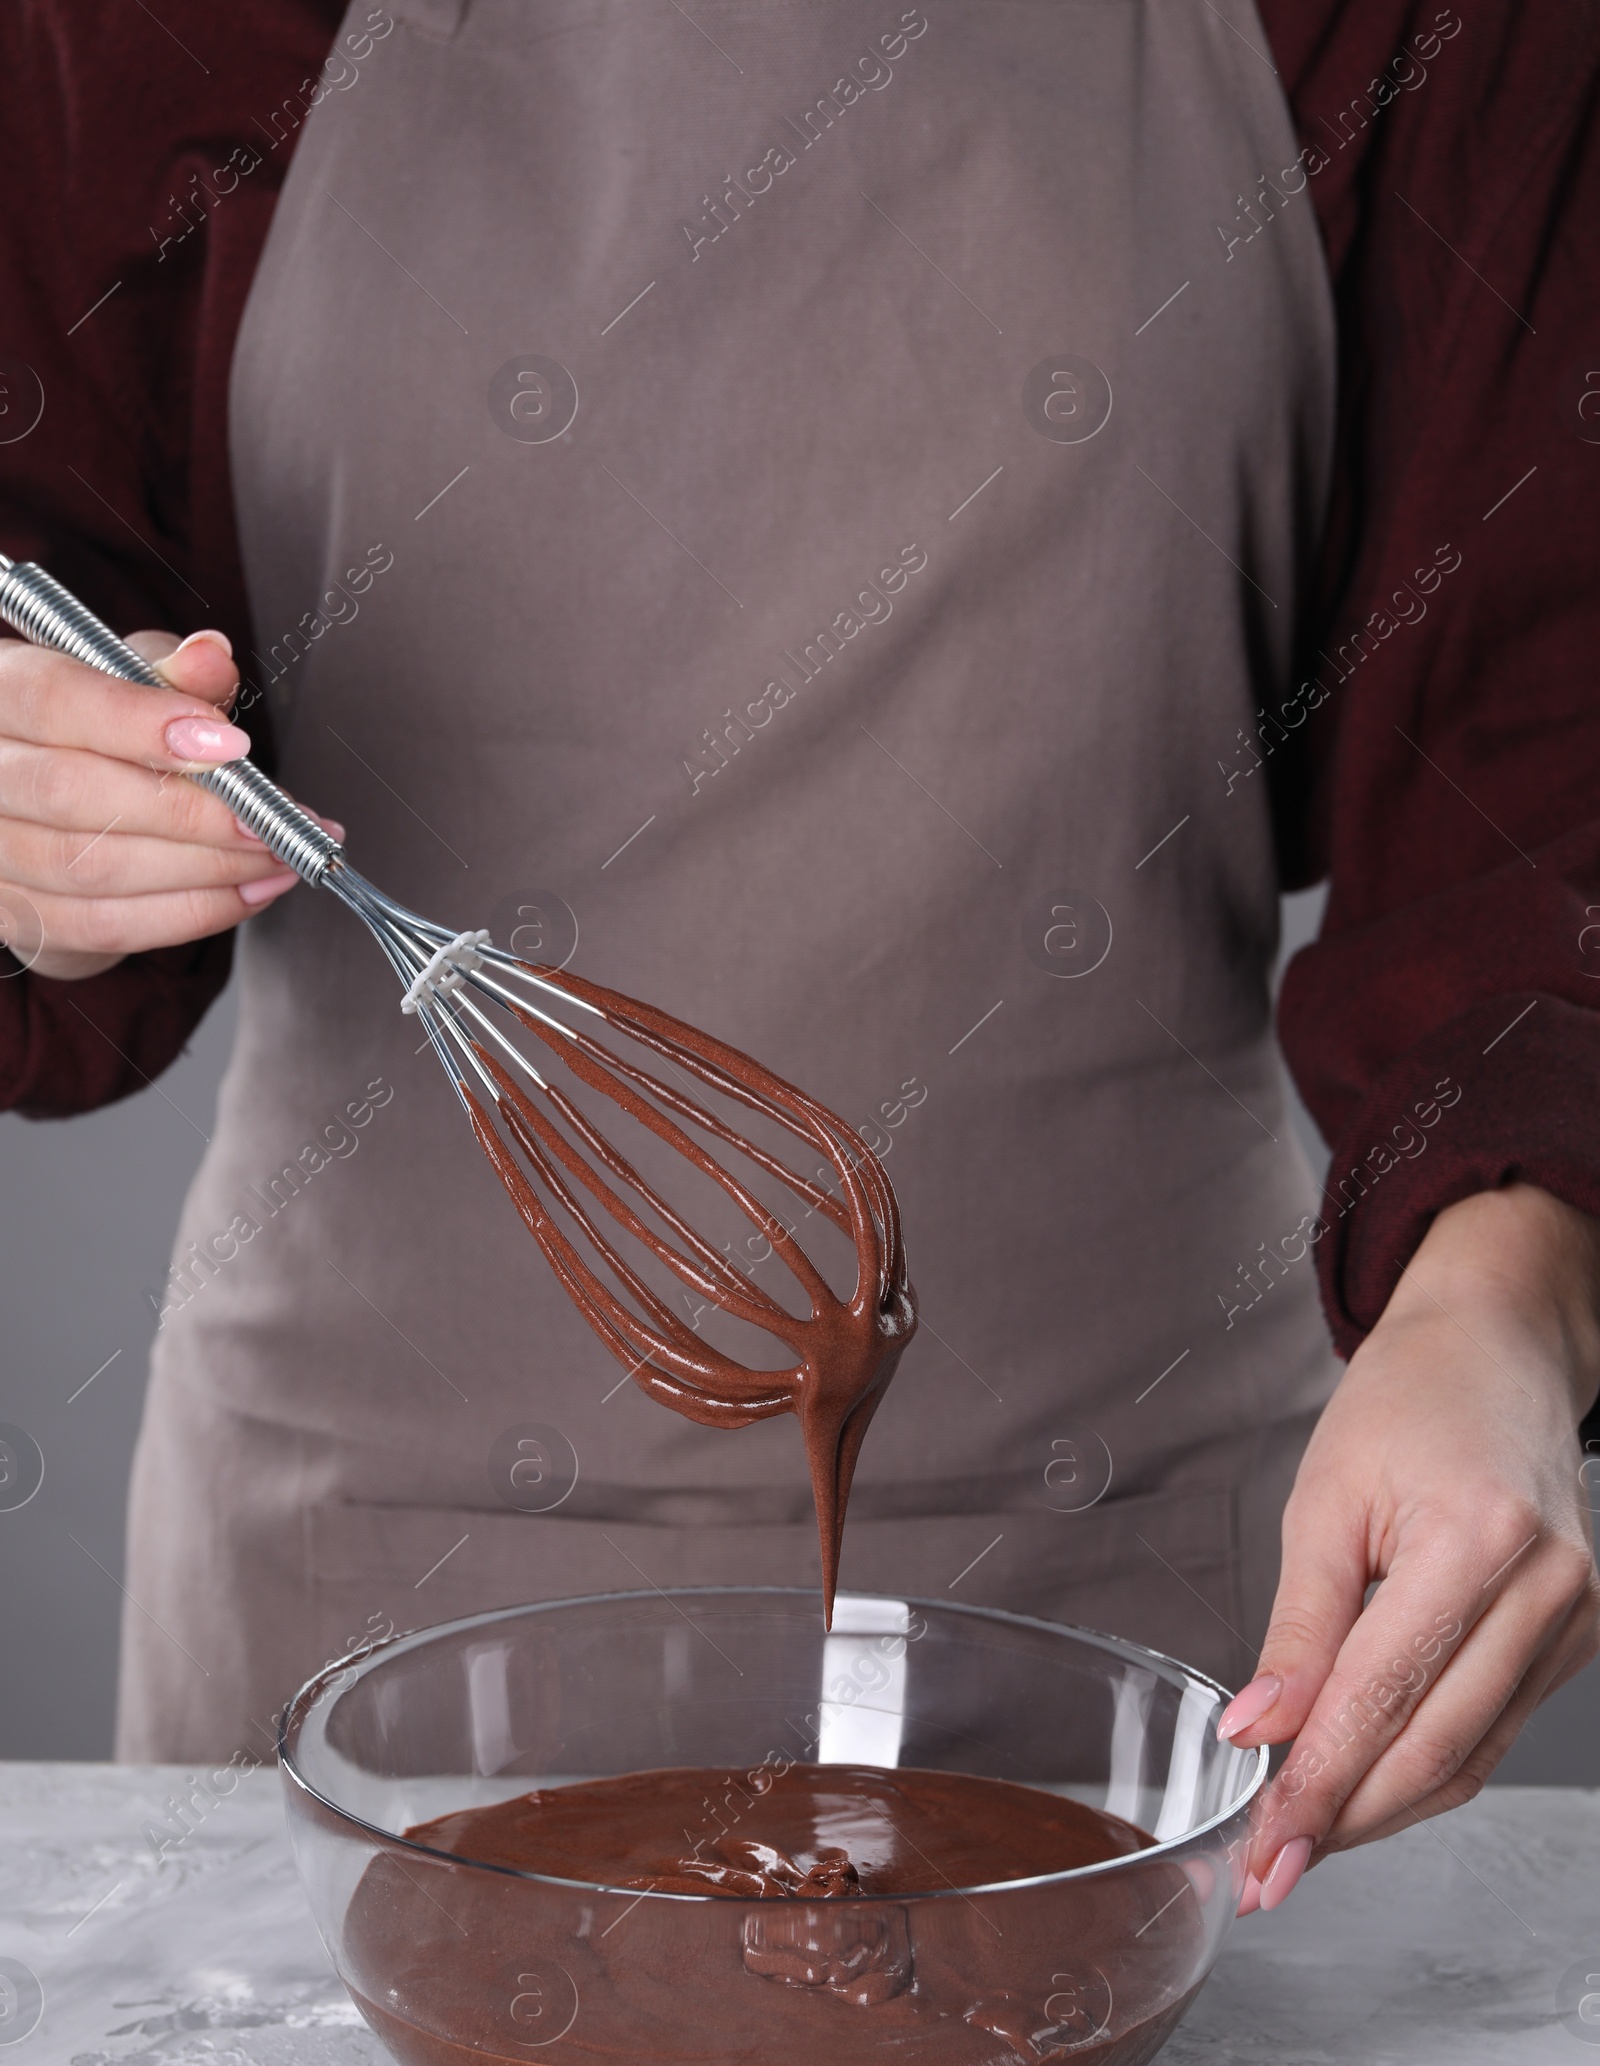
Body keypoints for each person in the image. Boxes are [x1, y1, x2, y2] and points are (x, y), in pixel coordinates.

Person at [2, 0, 1597, 1920]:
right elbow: (43, 549)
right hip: (356, 1596)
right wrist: (44, 797)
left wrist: (1498, 1309)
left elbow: (1545, 758)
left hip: (1152, 1607)